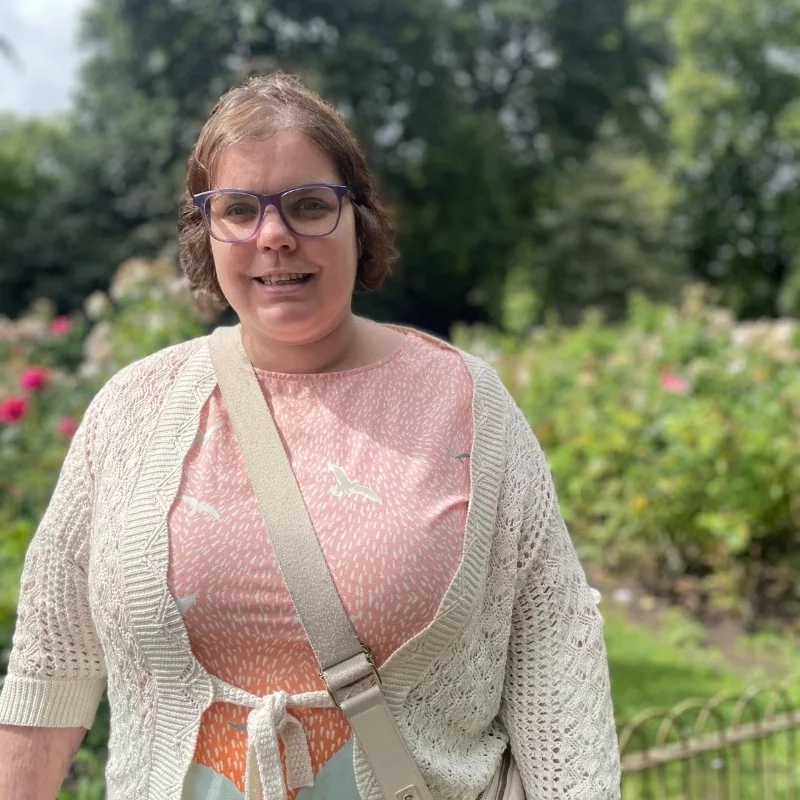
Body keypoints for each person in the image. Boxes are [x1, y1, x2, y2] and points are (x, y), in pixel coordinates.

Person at [0, 72, 620, 799]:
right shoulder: (132, 410)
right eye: (238, 209)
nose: (274, 235)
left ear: (359, 220)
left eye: (308, 205)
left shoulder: (467, 406)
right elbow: (50, 667)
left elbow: (557, 670)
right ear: (207, 232)